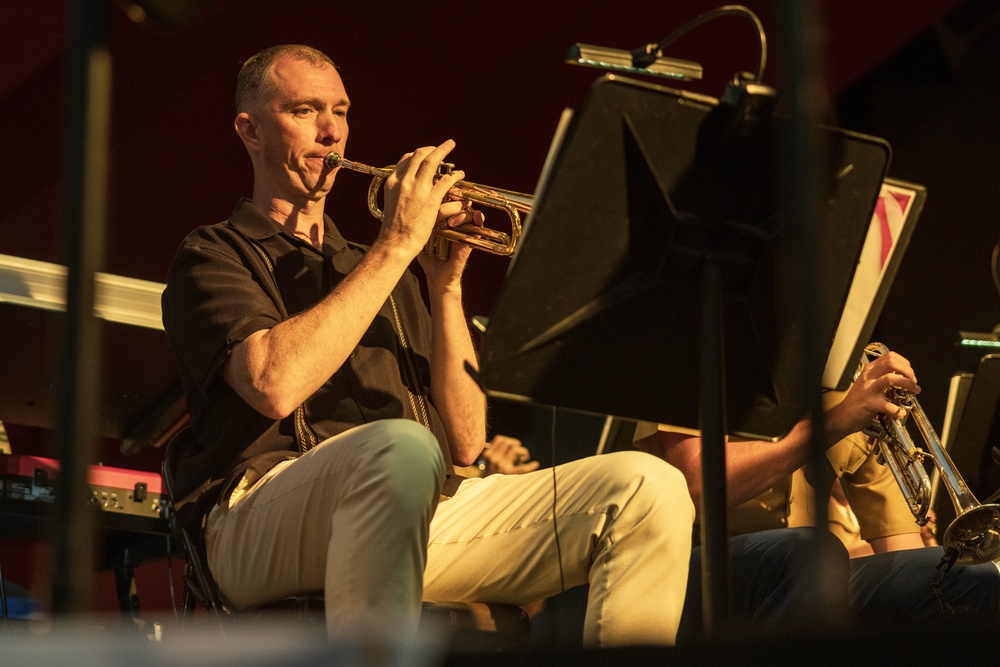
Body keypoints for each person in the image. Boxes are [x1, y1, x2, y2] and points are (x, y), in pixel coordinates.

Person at [161, 43, 695, 647]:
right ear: (250, 130)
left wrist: (445, 287)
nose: (332, 131)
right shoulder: (213, 253)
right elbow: (272, 384)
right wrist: (396, 244)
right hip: (255, 518)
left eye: (341, 111)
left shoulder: (377, 267)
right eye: (305, 111)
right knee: (400, 447)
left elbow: (467, 442)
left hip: (413, 508)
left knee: (647, 488)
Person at [635, 351, 1000, 634]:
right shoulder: (703, 348)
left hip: (811, 580)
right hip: (688, 574)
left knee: (969, 579)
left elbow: (902, 557)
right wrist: (836, 422)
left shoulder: (849, 386)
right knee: (808, 552)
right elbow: (698, 484)